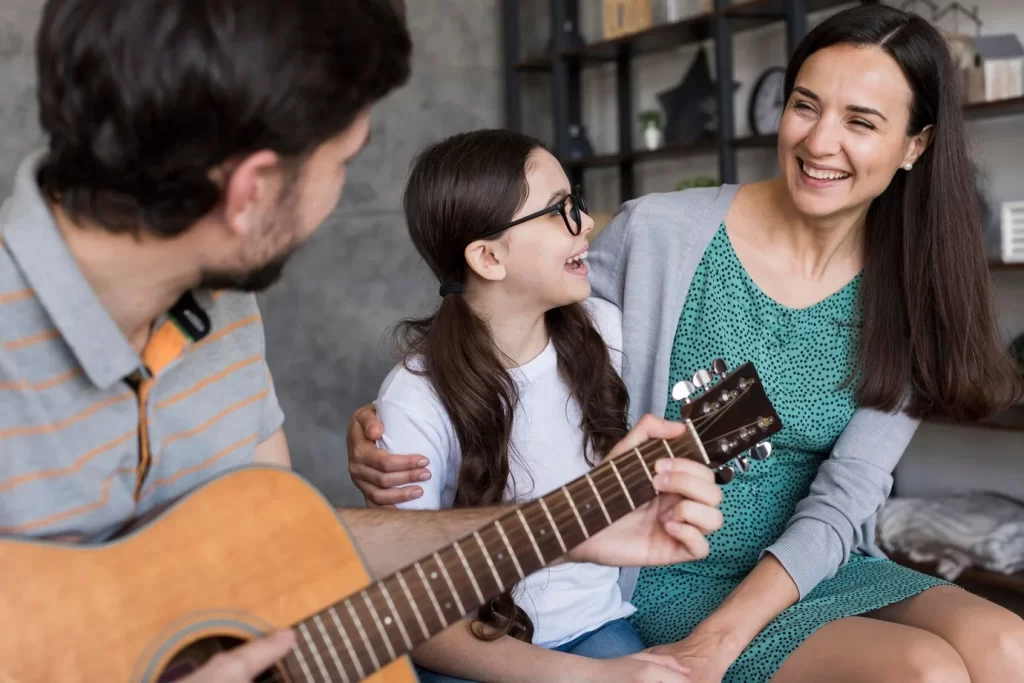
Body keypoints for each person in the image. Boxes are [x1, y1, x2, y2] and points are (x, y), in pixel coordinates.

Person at [0, 0, 726, 681]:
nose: (339, 196)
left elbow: (282, 550)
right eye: (343, 161)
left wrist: (558, 526)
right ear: (253, 192)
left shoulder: (222, 311)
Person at [347, 5, 1024, 683]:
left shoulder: (910, 292)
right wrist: (403, 416)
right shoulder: (659, 236)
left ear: (915, 145)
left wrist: (724, 638)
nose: (820, 142)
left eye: (861, 122)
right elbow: (513, 319)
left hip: (809, 561)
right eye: (805, 105)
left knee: (1009, 645)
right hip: (667, 567)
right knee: (925, 671)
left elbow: (846, 497)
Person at [368, 129, 716, 683]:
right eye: (559, 212)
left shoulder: (605, 331)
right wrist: (590, 678)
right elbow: (414, 621)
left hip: (594, 626)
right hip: (472, 651)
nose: (587, 223)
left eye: (576, 203)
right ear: (488, 257)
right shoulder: (413, 400)